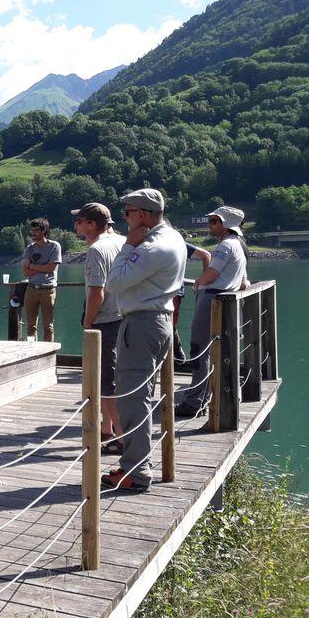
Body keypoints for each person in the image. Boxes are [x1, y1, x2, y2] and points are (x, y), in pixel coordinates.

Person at [103, 189, 187, 493]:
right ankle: (138, 466)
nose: (125, 219)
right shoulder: (174, 237)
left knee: (132, 400)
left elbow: (113, 283)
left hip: (141, 324)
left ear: (143, 216)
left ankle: (136, 472)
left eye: (127, 213)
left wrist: (128, 245)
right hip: (158, 322)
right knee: (142, 397)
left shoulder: (151, 247)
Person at [176, 206, 250, 417]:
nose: (209, 225)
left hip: (211, 299)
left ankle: (194, 402)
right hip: (226, 302)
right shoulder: (239, 245)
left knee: (199, 350)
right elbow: (244, 282)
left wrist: (198, 283)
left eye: (214, 221)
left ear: (225, 224)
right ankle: (212, 396)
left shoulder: (225, 246)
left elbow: (212, 273)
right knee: (218, 350)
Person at [73, 203, 125, 445]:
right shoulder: (123, 241)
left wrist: (87, 322)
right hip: (124, 315)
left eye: (79, 221)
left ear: (92, 225)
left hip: (104, 321)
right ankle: (107, 429)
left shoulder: (97, 250)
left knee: (106, 382)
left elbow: (96, 293)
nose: (75, 225)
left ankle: (124, 439)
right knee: (109, 379)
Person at [22, 218, 62, 341]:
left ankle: (49, 354)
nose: (33, 233)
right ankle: (31, 353)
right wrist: (43, 267)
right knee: (30, 326)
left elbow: (52, 268)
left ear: (44, 230)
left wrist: (33, 266)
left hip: (48, 290)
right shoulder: (29, 248)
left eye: (36, 230)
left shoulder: (54, 246)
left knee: (48, 326)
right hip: (31, 289)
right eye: (32, 230)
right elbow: (25, 272)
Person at [173, 242, 211, 362]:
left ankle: (175, 352)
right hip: (159, 291)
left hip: (173, 291)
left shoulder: (176, 240)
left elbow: (206, 255)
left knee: (167, 324)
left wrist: (204, 284)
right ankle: (176, 350)